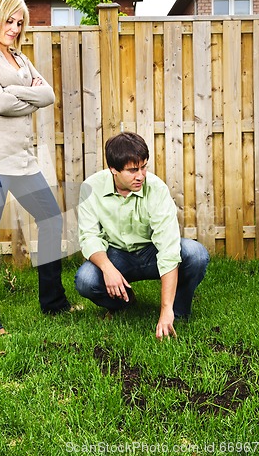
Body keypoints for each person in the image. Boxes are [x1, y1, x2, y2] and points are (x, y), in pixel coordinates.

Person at [0, 0, 71, 335]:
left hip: (23, 161)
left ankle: (54, 304)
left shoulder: (20, 59)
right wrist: (24, 96)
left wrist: (14, 92)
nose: (14, 28)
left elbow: (49, 95)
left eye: (19, 22)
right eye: (8, 20)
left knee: (52, 220)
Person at [75, 132, 209, 340]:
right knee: (86, 280)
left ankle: (177, 312)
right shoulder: (90, 188)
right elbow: (89, 236)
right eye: (133, 170)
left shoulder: (156, 189)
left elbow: (168, 248)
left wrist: (165, 309)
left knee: (196, 254)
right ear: (113, 170)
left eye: (144, 167)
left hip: (151, 252)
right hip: (117, 255)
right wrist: (108, 269)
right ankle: (124, 304)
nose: (141, 176)